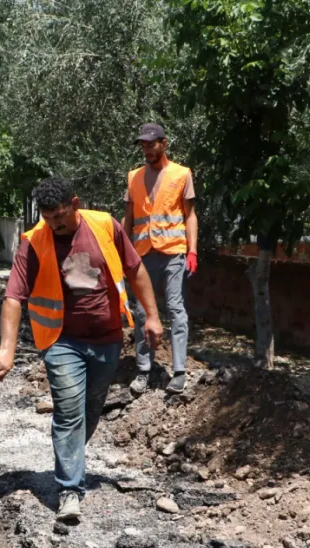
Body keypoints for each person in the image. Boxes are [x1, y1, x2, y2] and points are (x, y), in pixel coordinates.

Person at [0, 176, 162, 521]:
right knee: (69, 412)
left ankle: (70, 459)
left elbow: (135, 268)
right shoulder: (35, 241)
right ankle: (70, 489)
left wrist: (152, 317)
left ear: (76, 204)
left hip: (107, 338)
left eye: (61, 216)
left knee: (91, 410)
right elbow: (13, 297)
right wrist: (6, 349)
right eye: (48, 217)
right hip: (61, 340)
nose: (54, 224)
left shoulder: (104, 226)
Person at [122, 123, 198, 396]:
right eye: (142, 145)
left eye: (150, 144)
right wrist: (122, 250)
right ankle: (144, 370)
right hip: (142, 254)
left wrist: (192, 251)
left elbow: (189, 215)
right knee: (142, 312)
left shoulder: (182, 174)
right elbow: (128, 219)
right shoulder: (133, 177)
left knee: (176, 309)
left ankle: (178, 372)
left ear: (163, 144)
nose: (146, 150)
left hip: (173, 252)